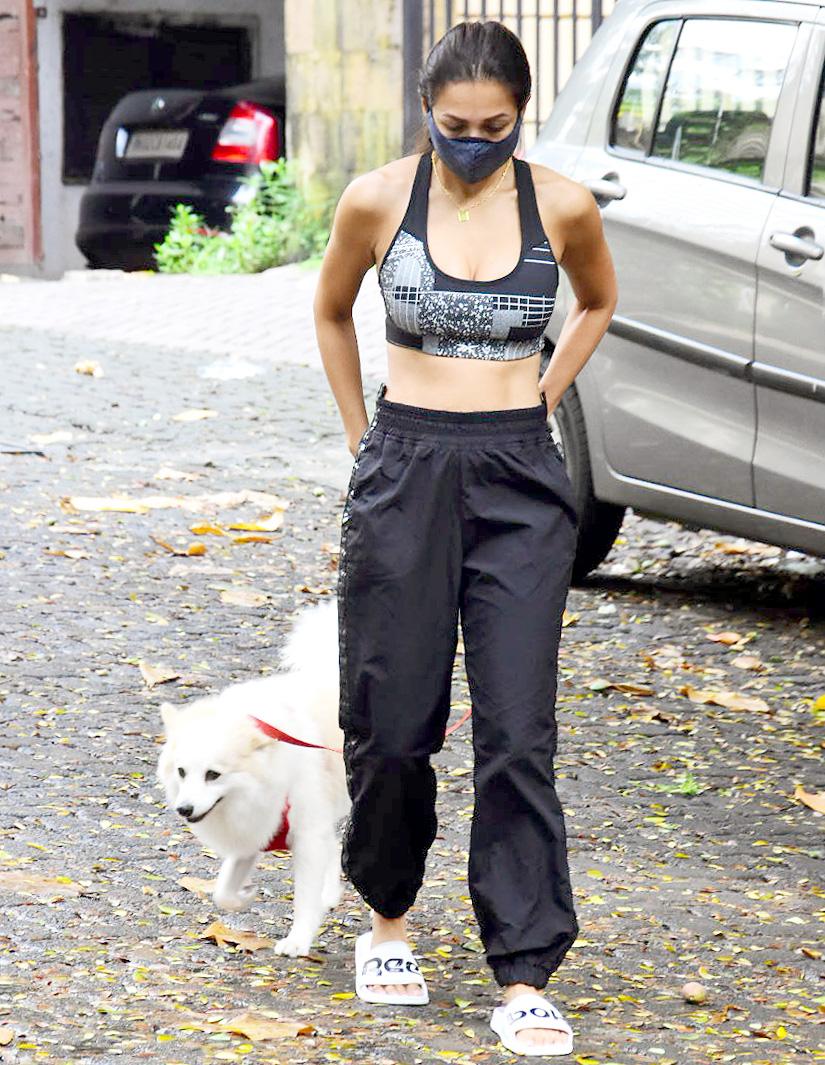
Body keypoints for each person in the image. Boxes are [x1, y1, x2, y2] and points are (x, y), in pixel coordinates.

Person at [313, 18, 617, 1057]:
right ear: (427, 114)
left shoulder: (563, 205)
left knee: (519, 730)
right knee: (393, 724)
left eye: (496, 125)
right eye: (457, 125)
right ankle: (387, 919)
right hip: (405, 466)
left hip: (521, 475)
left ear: (520, 117)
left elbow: (598, 302)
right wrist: (364, 444)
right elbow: (329, 312)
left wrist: (545, 390)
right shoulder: (375, 200)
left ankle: (525, 970)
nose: (476, 140)